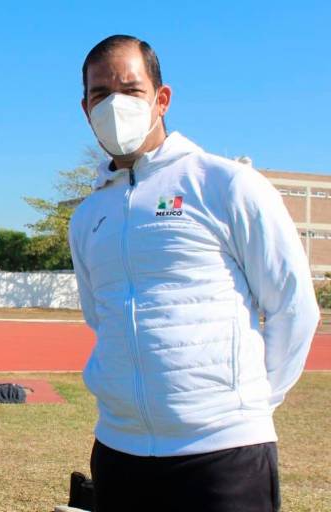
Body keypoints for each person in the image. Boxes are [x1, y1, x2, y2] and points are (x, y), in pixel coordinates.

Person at [68, 35, 319, 512]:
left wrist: (249, 407)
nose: (114, 104)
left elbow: (292, 305)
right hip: (119, 450)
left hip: (224, 453)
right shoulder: (88, 216)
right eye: (101, 94)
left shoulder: (225, 183)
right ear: (85, 108)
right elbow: (100, 316)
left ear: (161, 99)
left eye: (130, 89)